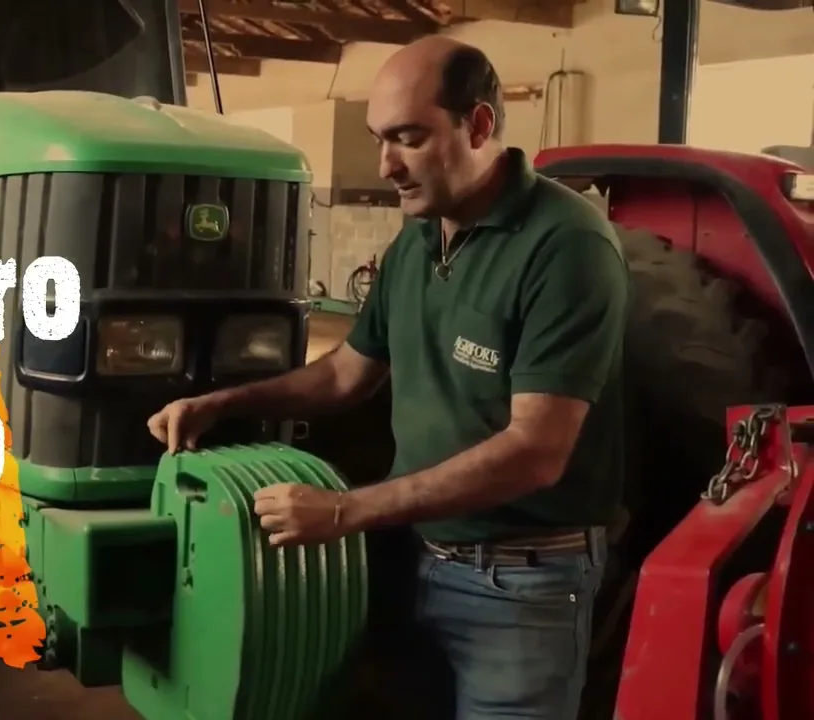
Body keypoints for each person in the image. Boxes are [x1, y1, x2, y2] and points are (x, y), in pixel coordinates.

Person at [146, 36, 629, 720]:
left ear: (479, 125)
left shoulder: (566, 246)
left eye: (408, 138)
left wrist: (344, 512)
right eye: (380, 139)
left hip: (519, 586)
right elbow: (347, 375)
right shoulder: (420, 238)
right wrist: (223, 403)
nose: (386, 165)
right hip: (415, 559)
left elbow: (536, 451)